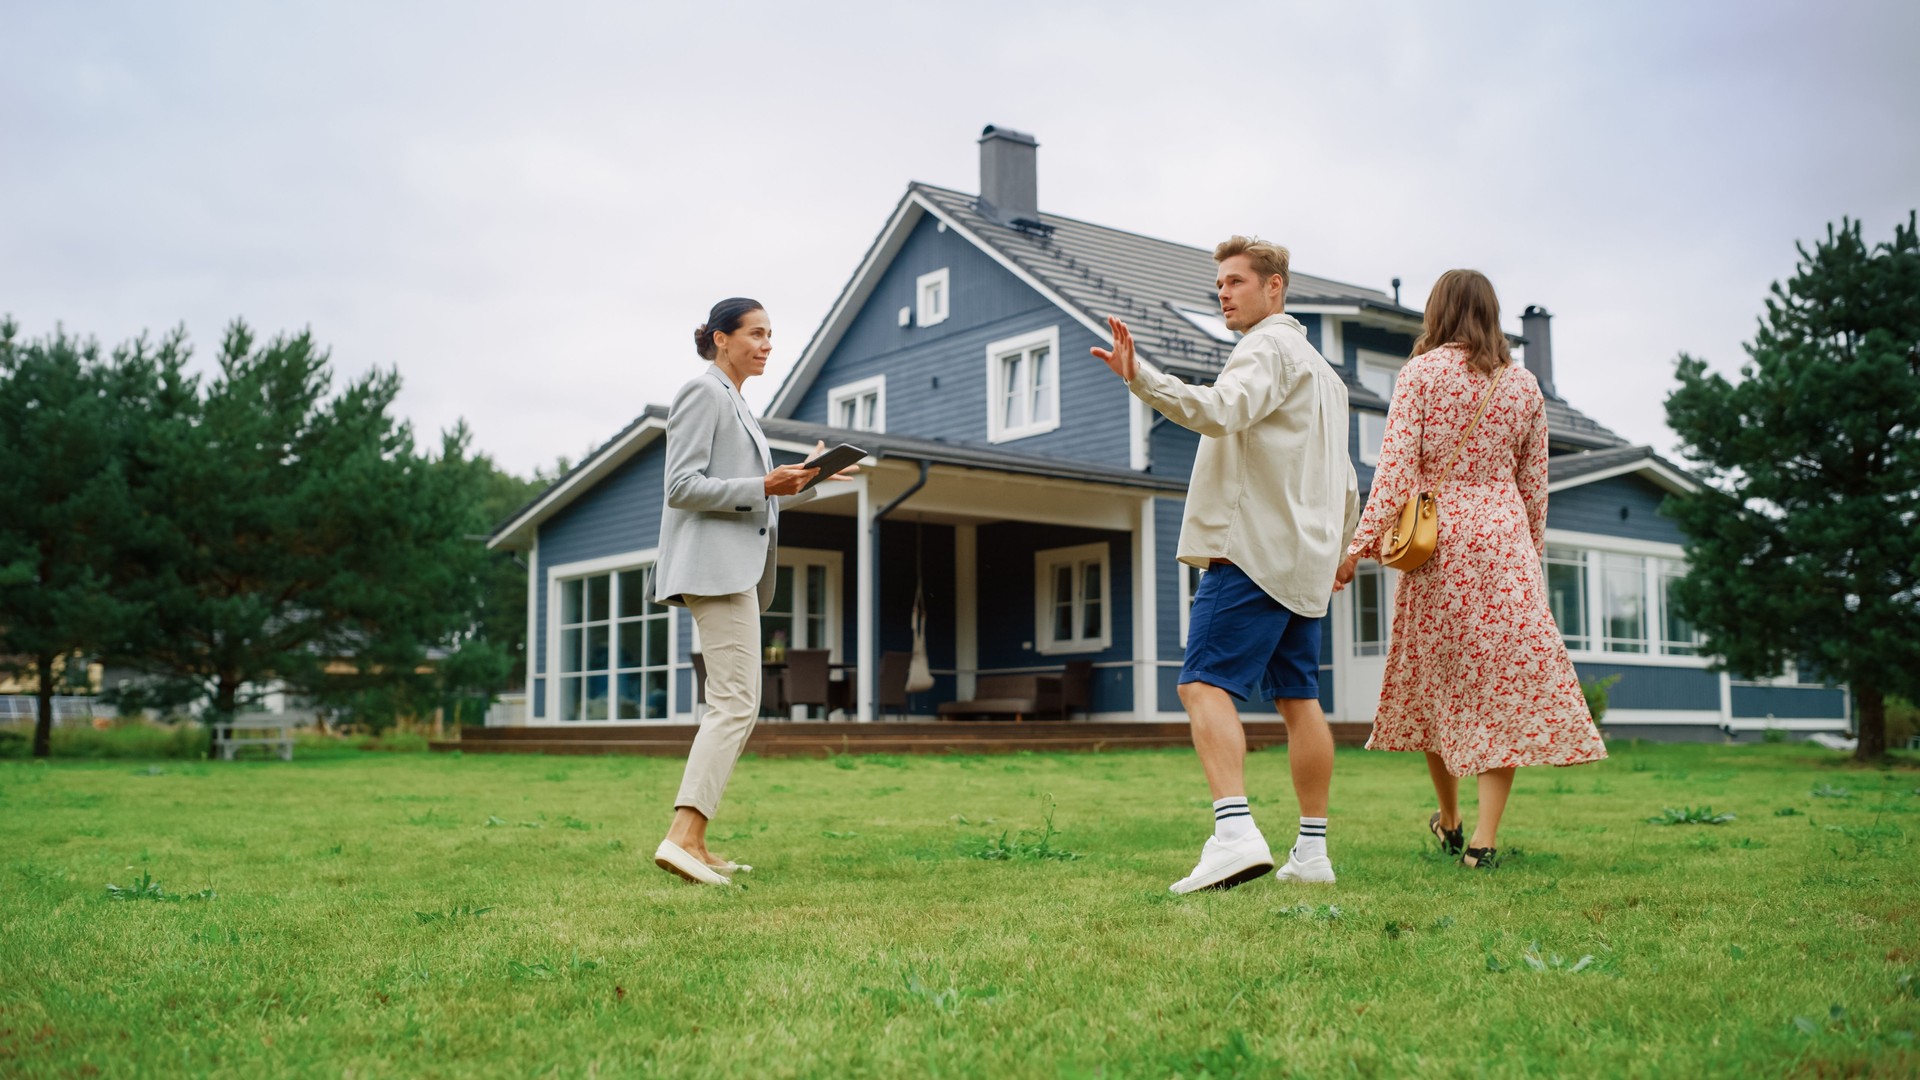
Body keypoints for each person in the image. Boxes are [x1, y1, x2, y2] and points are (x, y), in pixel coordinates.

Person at [1093, 236, 1360, 893]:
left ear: (1275, 288)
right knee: (1300, 699)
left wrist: (1140, 378)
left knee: (1200, 684)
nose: (1224, 292)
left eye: (1237, 281)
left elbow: (1218, 411)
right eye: (1220, 283)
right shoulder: (1327, 376)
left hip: (1251, 552)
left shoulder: (1265, 348)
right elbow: (1346, 479)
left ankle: (1235, 833)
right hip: (1303, 564)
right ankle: (1313, 854)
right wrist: (1344, 547)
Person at [1333, 270, 1606, 870]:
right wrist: (1529, 561)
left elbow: (1397, 469)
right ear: (1491, 313)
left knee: (1438, 686)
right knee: (1499, 691)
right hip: (1505, 545)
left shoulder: (1421, 375)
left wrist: (1357, 546)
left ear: (1437, 313)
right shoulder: (1523, 384)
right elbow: (1536, 488)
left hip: (1440, 545)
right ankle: (1481, 839)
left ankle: (1450, 819)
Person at [650, 297, 857, 886]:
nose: (768, 344)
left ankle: (697, 839)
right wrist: (766, 481)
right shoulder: (703, 393)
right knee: (736, 703)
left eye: (772, 335)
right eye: (757, 333)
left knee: (737, 703)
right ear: (721, 338)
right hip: (715, 570)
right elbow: (682, 486)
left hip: (733, 569)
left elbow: (756, 491)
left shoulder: (738, 404)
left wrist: (809, 477)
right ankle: (682, 837)